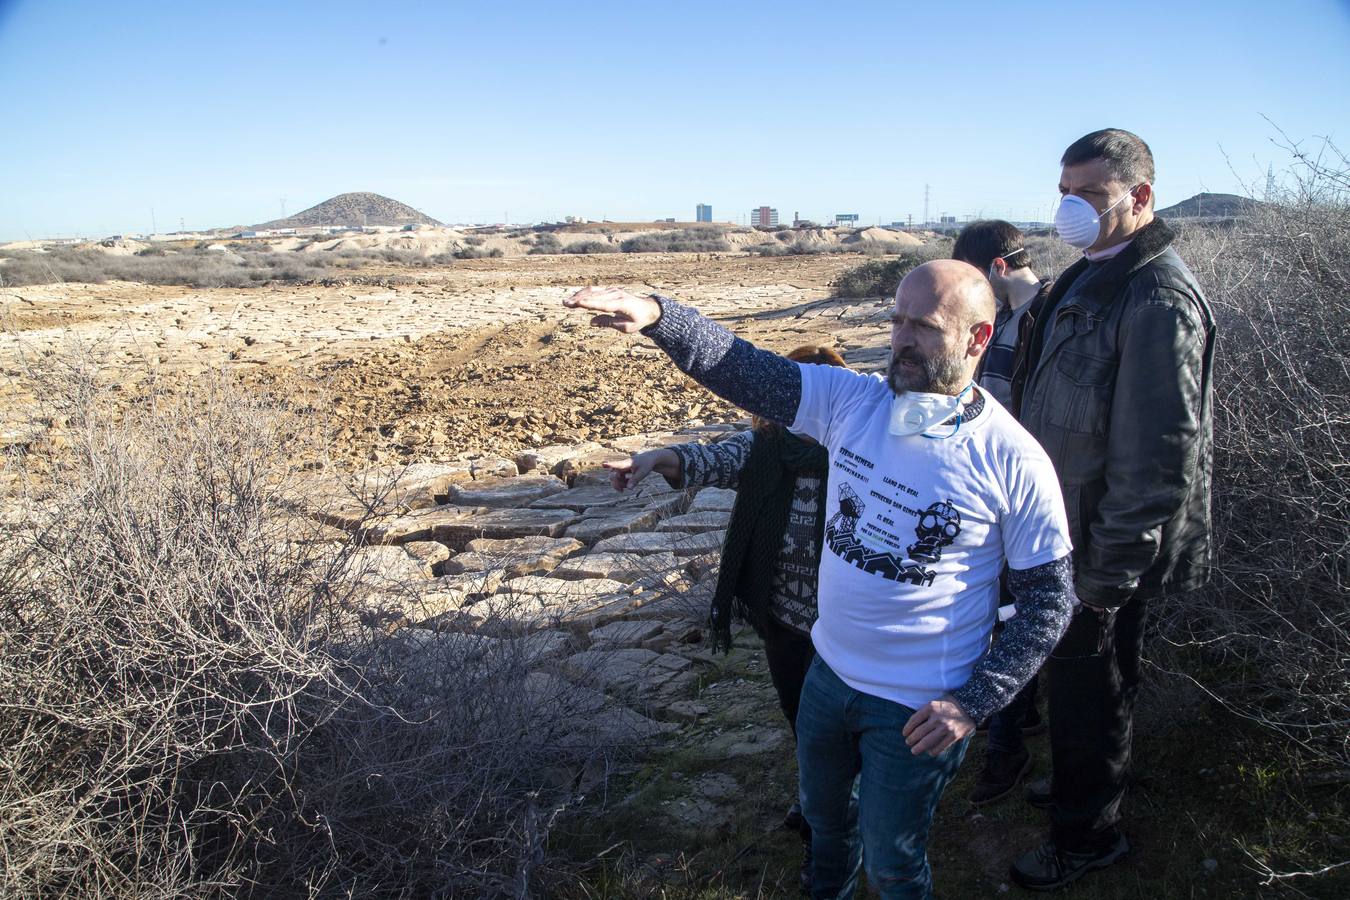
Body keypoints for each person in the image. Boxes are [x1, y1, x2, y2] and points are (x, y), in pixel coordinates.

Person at [566, 259, 1076, 900]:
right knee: (827, 832)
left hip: (919, 706)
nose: (902, 340)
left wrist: (973, 704)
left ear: (977, 339)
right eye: (896, 322)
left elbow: (1050, 599)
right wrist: (662, 316)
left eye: (923, 327)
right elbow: (748, 369)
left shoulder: (1015, 460)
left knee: (894, 863)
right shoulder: (852, 403)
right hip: (827, 682)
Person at [1007, 129, 1216, 891]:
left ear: (1140, 197)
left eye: (1090, 196)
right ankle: (1074, 784)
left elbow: (1161, 457)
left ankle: (1087, 836)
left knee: (1098, 690)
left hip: (1103, 546)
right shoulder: (1087, 273)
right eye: (1064, 192)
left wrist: (1106, 576)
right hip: (1063, 525)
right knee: (1073, 686)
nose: (1071, 209)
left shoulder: (1156, 296)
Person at [605, 344, 849, 893]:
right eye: (788, 399)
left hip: (850, 632)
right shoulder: (763, 448)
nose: (799, 412)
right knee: (799, 719)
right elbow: (703, 458)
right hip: (786, 623)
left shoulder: (860, 452)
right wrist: (655, 459)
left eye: (810, 398)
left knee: (834, 734)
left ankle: (829, 832)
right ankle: (817, 798)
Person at [951, 220, 1053, 806]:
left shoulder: (1050, 313)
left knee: (1015, 614)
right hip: (991, 484)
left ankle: (1005, 750)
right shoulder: (1008, 319)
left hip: (1026, 489)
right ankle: (1020, 713)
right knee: (1003, 608)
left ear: (993, 269)